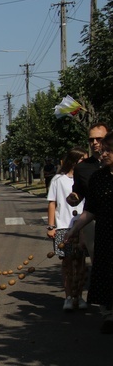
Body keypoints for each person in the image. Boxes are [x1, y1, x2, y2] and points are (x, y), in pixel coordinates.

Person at [65, 131, 113, 334]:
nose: (102, 154)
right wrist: (74, 229)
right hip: (106, 235)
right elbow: (91, 210)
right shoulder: (98, 178)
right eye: (102, 151)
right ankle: (109, 315)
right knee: (106, 275)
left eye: (108, 151)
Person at [47, 147, 87, 311]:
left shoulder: (86, 178)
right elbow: (52, 202)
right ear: (73, 160)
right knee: (67, 263)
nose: (84, 163)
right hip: (63, 226)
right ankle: (69, 297)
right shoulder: (58, 179)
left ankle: (80, 296)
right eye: (82, 160)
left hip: (82, 225)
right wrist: (51, 226)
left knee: (81, 263)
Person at [67, 122, 109, 261]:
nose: (95, 143)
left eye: (99, 139)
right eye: (91, 139)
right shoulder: (82, 168)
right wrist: (73, 198)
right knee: (99, 261)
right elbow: (78, 193)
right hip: (93, 221)